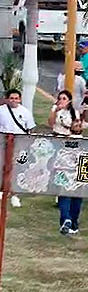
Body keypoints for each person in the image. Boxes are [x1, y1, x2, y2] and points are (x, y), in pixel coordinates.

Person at [48, 90, 83, 235]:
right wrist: (55, 110)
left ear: (69, 100)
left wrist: (75, 126)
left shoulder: (75, 113)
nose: (61, 100)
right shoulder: (55, 110)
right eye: (60, 98)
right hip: (61, 149)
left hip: (77, 150)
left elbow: (77, 127)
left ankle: (73, 221)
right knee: (64, 187)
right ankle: (66, 219)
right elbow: (50, 123)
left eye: (64, 98)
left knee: (79, 187)